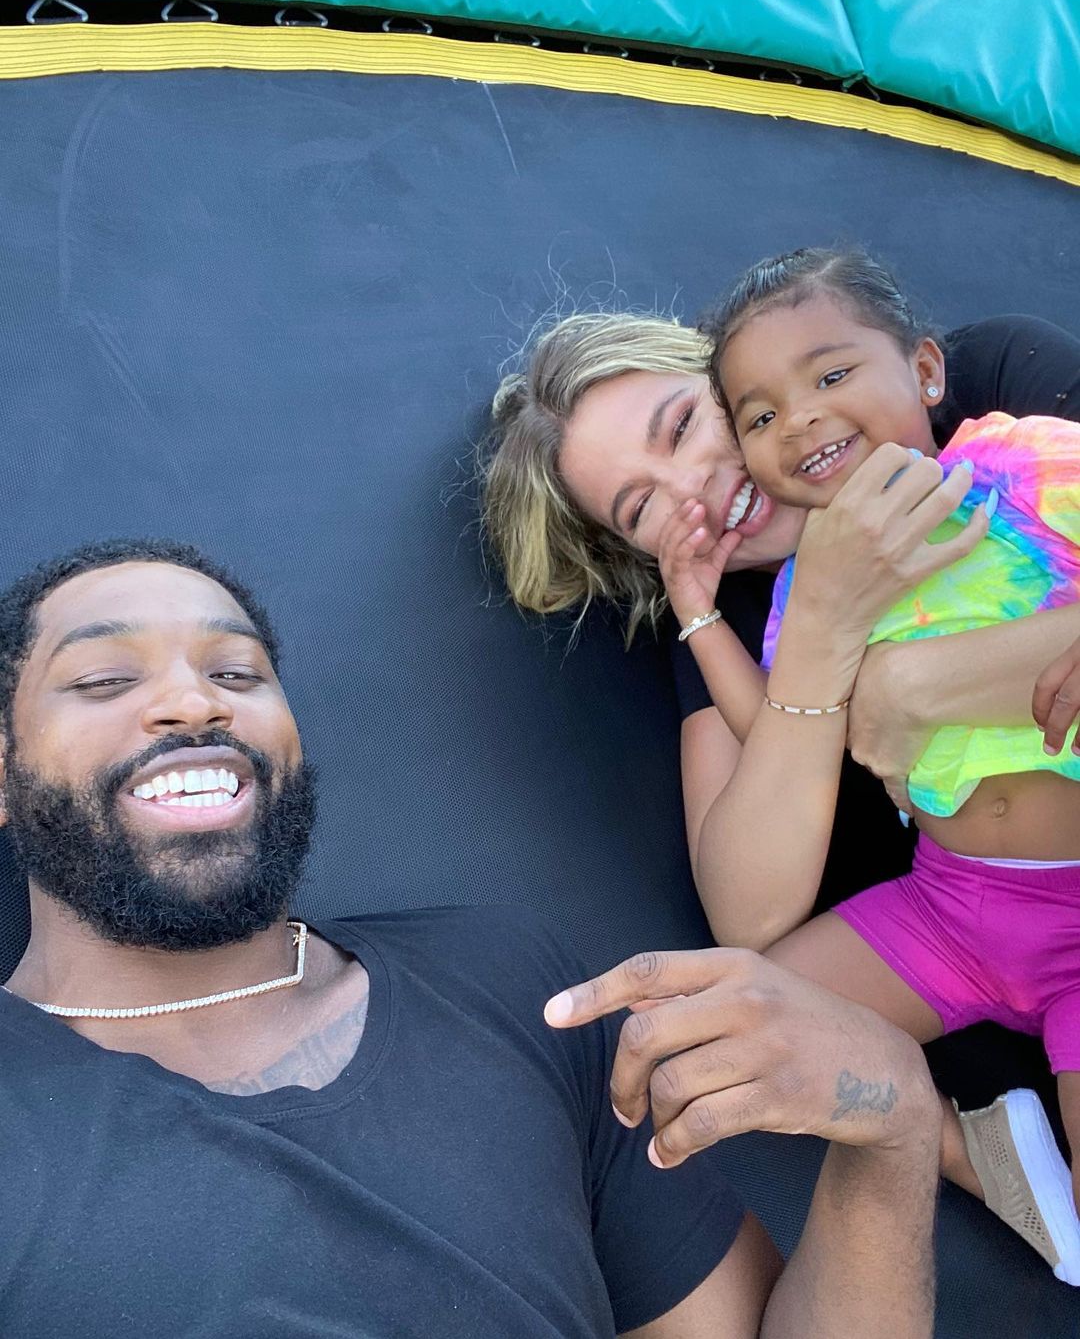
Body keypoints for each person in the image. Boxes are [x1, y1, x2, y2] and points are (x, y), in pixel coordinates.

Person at [0, 538, 943, 1338]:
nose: (195, 704)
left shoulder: (513, 983)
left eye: (237, 673)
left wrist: (894, 1120)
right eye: (103, 679)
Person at [480, 298, 1080, 1277]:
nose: (699, 494)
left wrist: (903, 687)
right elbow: (748, 913)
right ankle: (962, 1145)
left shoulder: (979, 393)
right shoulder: (733, 618)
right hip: (956, 924)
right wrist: (822, 633)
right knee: (711, 1029)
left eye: (686, 428)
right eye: (643, 509)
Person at [693, 247, 1080, 1278]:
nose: (802, 420)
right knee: (741, 1019)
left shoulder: (1025, 462)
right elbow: (783, 723)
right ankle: (985, 1156)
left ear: (924, 372)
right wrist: (693, 614)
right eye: (761, 415)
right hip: (952, 905)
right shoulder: (802, 591)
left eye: (829, 377)